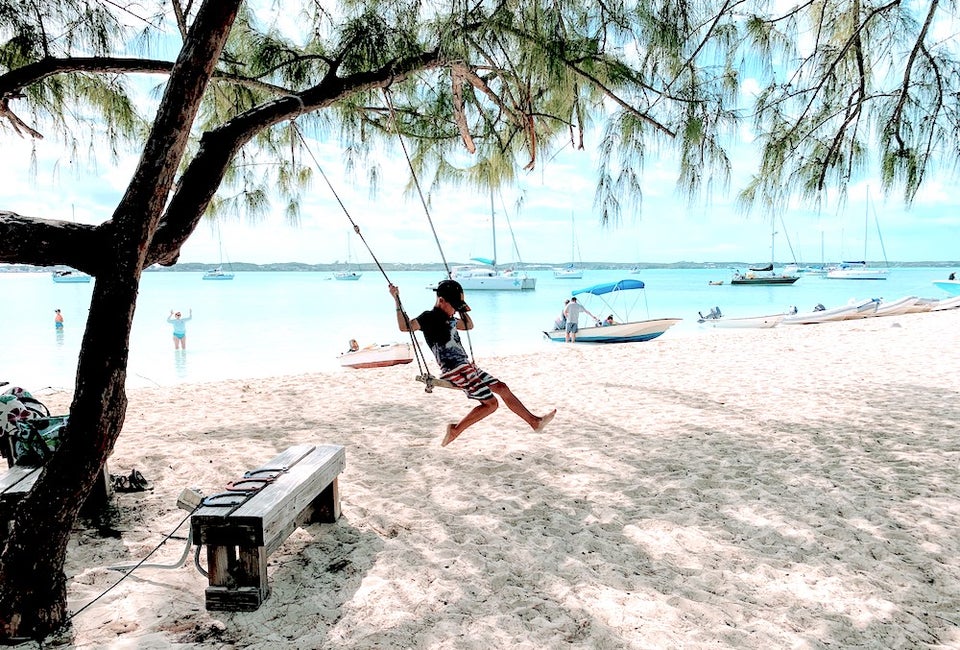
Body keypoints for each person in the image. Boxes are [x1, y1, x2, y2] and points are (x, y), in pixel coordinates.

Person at [389, 280, 555, 447]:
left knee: (502, 388)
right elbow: (405, 326)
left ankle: (534, 422)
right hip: (454, 371)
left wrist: (461, 308)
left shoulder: (452, 318)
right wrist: (397, 299)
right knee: (491, 404)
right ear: (441, 300)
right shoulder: (428, 318)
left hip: (468, 367)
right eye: (453, 305)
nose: (454, 310)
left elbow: (469, 325)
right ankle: (455, 430)